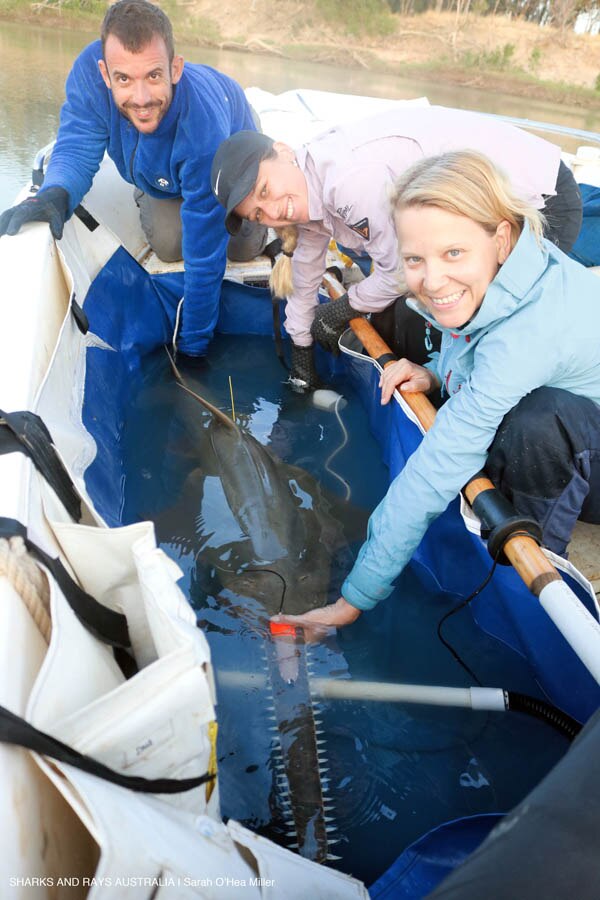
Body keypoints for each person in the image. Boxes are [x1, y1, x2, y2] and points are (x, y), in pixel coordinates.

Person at [272, 149, 600, 632]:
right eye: (414, 259)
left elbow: (436, 469)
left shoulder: (531, 332)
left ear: (501, 239)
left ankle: (542, 594)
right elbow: (473, 339)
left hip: (585, 461)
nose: (433, 279)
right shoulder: (512, 273)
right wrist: (437, 375)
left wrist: (353, 599)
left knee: (537, 422)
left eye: (453, 253)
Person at [210, 106, 582, 391]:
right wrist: (301, 346)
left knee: (500, 328)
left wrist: (342, 307)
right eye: (258, 214)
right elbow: (306, 269)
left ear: (283, 151)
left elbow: (398, 274)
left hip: (537, 198)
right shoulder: (307, 186)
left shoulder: (349, 181)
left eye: (264, 190)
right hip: (469, 216)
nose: (273, 211)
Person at [0, 0, 265, 361]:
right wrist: (55, 195)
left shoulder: (204, 131)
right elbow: (77, 145)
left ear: (175, 69)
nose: (140, 99)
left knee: (239, 247)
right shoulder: (90, 78)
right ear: (105, 74)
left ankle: (256, 214)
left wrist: (193, 348)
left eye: (153, 76)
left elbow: (204, 259)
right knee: (170, 246)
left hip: (228, 158)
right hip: (160, 176)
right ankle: (159, 185)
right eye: (123, 78)